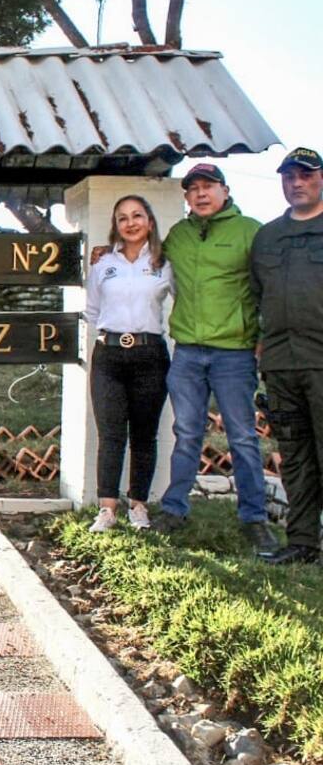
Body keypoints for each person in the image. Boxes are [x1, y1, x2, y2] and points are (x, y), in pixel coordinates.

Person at [151, 163, 279, 555]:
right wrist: (106, 251)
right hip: (188, 352)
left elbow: (270, 286)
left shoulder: (250, 231)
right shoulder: (179, 235)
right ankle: (174, 509)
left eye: (209, 186)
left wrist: (262, 337)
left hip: (234, 353)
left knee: (242, 436)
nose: (201, 194)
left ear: (225, 190)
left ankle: (254, 519)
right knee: (186, 434)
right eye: (193, 189)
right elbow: (145, 260)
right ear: (187, 197)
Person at [250, 147, 323, 565]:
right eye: (289, 176)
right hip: (281, 365)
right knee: (295, 458)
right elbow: (258, 296)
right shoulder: (267, 237)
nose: (297, 183)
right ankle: (303, 543)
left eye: (306, 175)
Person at [85, 196, 174, 532]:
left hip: (150, 356)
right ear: (115, 225)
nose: (130, 223)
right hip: (109, 356)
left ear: (149, 221)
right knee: (110, 434)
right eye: (122, 218)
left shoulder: (165, 263)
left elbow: (182, 300)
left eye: (137, 216)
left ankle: (138, 506)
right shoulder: (103, 263)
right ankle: (107, 509)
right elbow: (92, 310)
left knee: (144, 434)